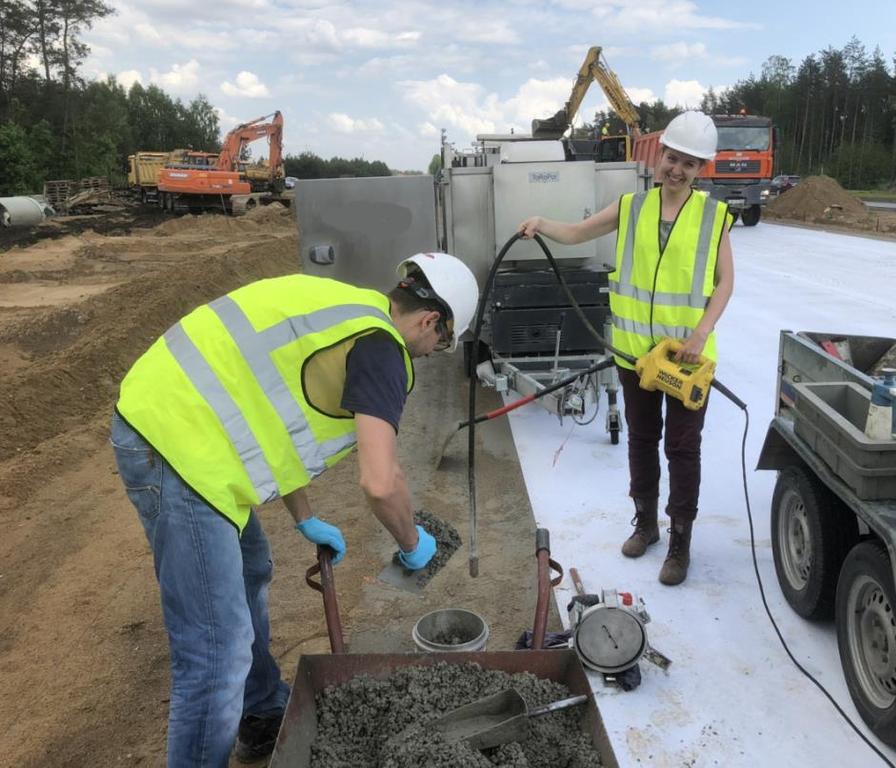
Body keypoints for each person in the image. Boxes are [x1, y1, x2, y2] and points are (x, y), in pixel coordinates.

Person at [110, 253, 479, 767]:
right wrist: (413, 545)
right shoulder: (382, 349)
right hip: (177, 446)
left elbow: (272, 419)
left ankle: (262, 713)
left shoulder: (352, 311)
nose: (429, 352)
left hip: (181, 420)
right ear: (431, 320)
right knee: (216, 653)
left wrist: (303, 514)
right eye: (438, 345)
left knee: (253, 567)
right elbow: (380, 480)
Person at [519, 111, 734, 587]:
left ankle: (680, 542)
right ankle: (647, 525)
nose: (677, 170)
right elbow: (578, 233)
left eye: (689, 164)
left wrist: (700, 333)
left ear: (701, 170)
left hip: (686, 360)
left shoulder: (714, 217)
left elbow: (724, 284)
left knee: (683, 448)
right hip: (635, 355)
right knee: (641, 441)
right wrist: (542, 223)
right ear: (660, 156)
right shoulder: (631, 206)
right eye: (672, 158)